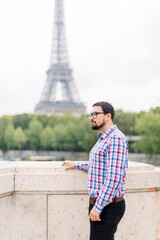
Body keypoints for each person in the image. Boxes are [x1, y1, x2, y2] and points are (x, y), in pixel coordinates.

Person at [62, 101, 128, 240]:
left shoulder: (116, 138)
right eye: (90, 114)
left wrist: (98, 207)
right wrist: (76, 164)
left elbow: (113, 177)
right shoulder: (103, 138)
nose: (91, 117)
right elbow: (98, 164)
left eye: (95, 114)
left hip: (107, 206)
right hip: (101, 203)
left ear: (108, 116)